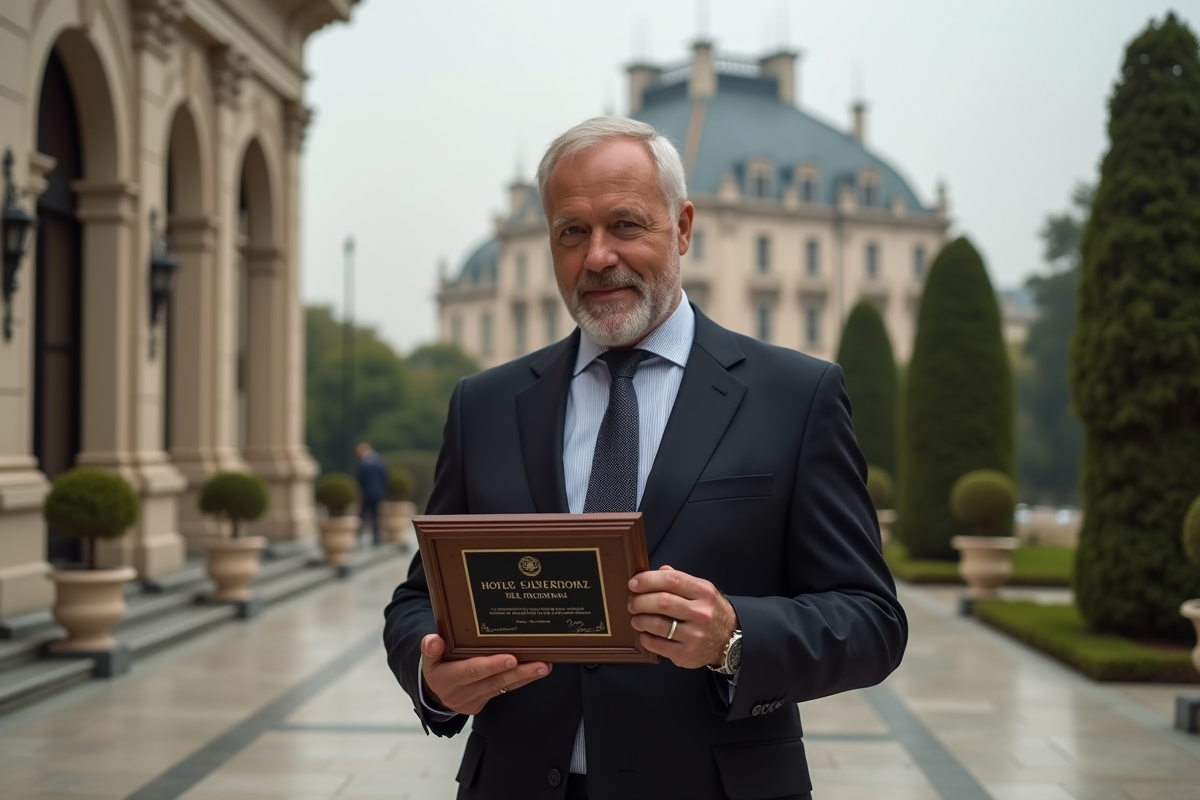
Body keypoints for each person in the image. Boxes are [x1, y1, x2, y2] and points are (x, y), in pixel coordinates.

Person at [383, 116, 907, 800]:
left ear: (683, 228)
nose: (598, 256)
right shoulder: (483, 404)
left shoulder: (794, 396)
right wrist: (433, 677)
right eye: (572, 232)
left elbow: (871, 619)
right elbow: (420, 600)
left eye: (626, 225)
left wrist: (735, 636)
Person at [355, 443, 388, 545]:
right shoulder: (380, 462)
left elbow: (360, 480)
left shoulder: (364, 464)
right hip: (378, 493)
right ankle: (376, 538)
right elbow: (385, 477)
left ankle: (359, 537)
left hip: (366, 494)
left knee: (363, 515)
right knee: (376, 516)